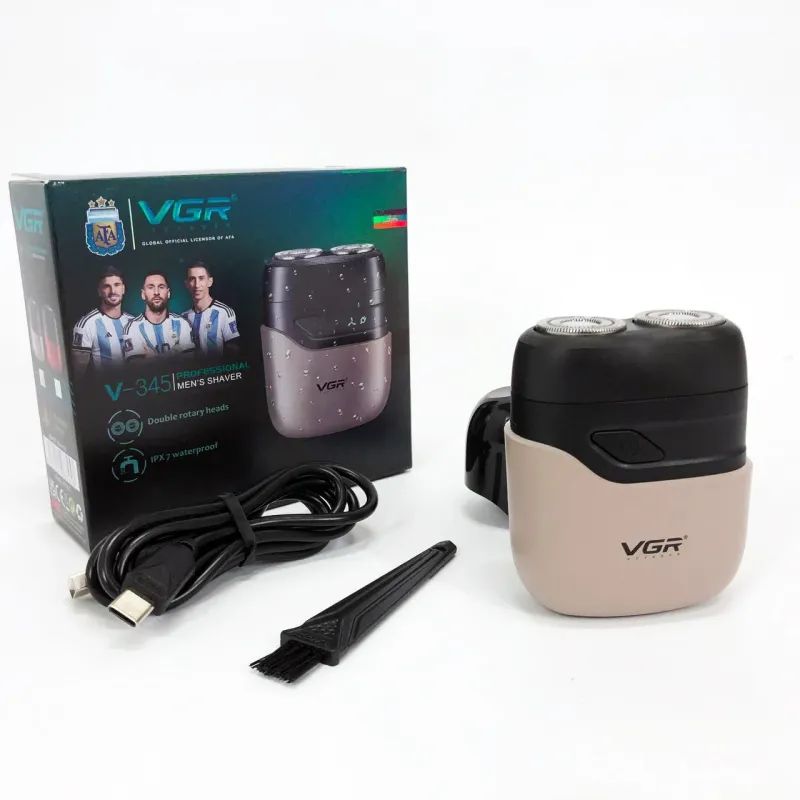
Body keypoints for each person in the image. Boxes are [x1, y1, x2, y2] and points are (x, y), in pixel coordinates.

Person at [71, 267, 135, 373]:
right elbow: (78, 372)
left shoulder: (133, 322)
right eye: (107, 286)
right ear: (99, 292)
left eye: (117, 285)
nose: (113, 291)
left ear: (123, 289)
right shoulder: (86, 324)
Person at [123, 273, 195, 360]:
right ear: (143, 294)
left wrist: (153, 359)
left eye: (161, 287)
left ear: (168, 293)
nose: (156, 292)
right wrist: (174, 353)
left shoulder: (182, 324)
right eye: (151, 287)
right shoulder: (132, 328)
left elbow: (189, 363)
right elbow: (136, 366)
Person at [181, 261, 239, 355]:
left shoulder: (224, 312)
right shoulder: (183, 317)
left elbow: (233, 348)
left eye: (201, 278)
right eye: (192, 279)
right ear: (187, 284)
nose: (197, 285)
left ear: (210, 281)